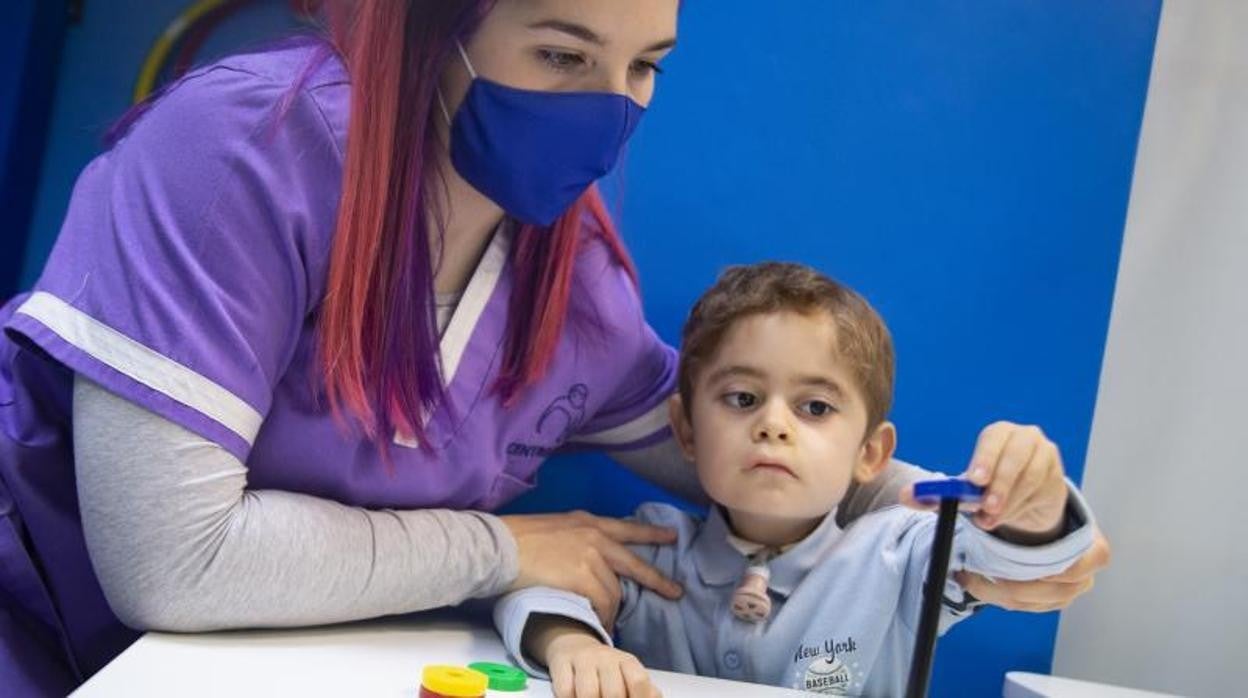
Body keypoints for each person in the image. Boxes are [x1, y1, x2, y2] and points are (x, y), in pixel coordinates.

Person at [0, 1, 1108, 695]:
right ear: (432, 31)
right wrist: (500, 548)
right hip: (35, 623)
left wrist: (999, 516)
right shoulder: (237, 157)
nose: (609, 110)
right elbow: (173, 563)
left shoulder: (569, 280)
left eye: (645, 66)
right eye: (563, 53)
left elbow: (753, 446)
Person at [494, 263, 1097, 697]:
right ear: (686, 431)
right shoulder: (655, 547)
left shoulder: (900, 554)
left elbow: (1003, 554)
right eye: (742, 398)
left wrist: (1032, 500)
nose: (773, 424)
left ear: (870, 454)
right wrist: (571, 642)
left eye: (815, 407)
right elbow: (538, 591)